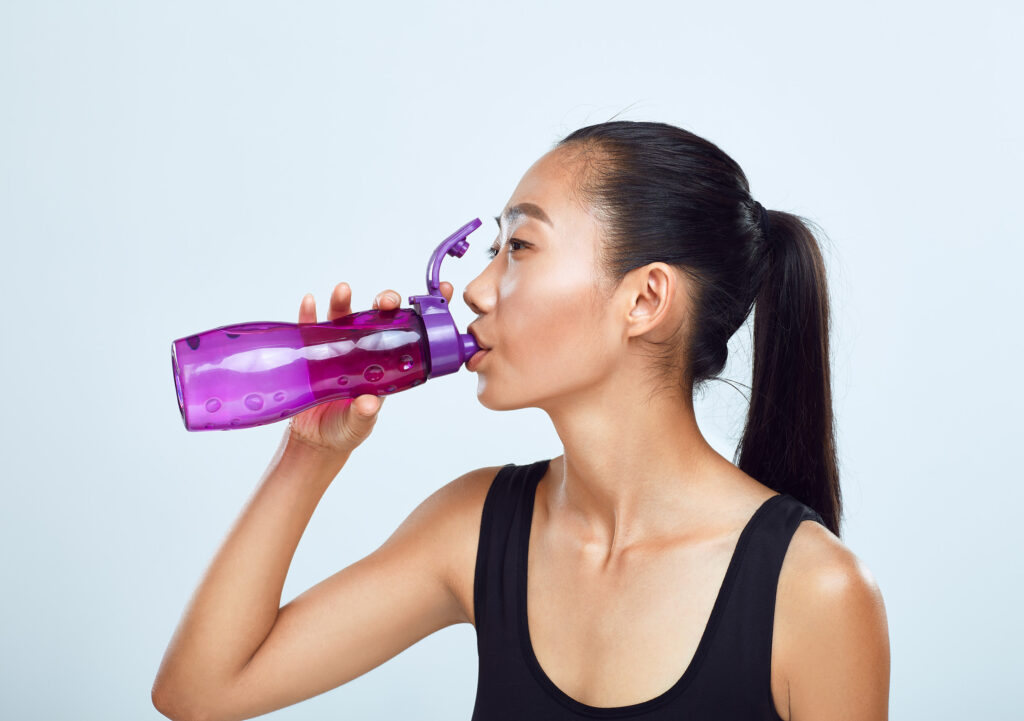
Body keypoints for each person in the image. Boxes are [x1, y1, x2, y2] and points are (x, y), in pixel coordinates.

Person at [152, 120, 890, 721]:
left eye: (519, 247)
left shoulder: (815, 591)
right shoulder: (476, 527)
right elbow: (201, 691)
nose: (474, 288)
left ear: (643, 299)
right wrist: (306, 454)